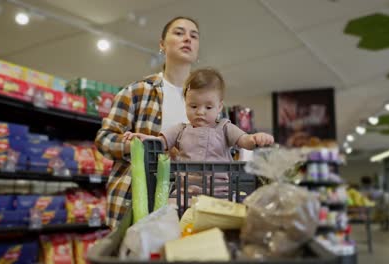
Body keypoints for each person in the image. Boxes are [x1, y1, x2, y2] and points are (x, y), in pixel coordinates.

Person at [95, 16, 200, 228]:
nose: (187, 38)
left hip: (190, 204)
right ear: (162, 45)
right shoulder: (138, 91)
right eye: (179, 33)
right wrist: (141, 148)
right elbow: (104, 139)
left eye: (194, 36)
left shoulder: (209, 105)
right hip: (136, 202)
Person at [124, 68, 274, 196]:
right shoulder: (180, 130)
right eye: (193, 106)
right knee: (169, 211)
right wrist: (146, 139)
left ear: (219, 107)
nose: (200, 112)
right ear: (186, 104)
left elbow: (245, 141)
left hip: (221, 194)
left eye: (208, 107)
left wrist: (256, 138)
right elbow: (160, 143)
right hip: (185, 194)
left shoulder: (225, 127)